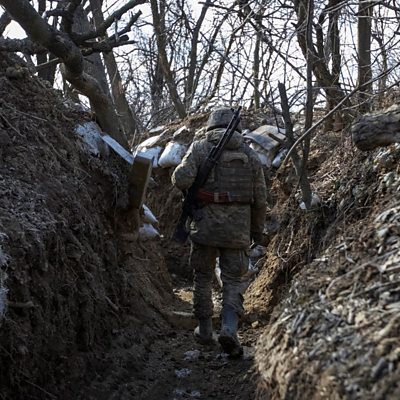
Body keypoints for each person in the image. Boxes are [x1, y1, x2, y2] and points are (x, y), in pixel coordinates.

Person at [171, 107, 267, 357]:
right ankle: (229, 329)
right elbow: (260, 200)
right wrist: (257, 233)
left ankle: (204, 330)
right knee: (233, 280)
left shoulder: (199, 148)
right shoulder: (250, 155)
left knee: (202, 277)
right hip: (238, 231)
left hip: (204, 226)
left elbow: (180, 179)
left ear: (211, 125)